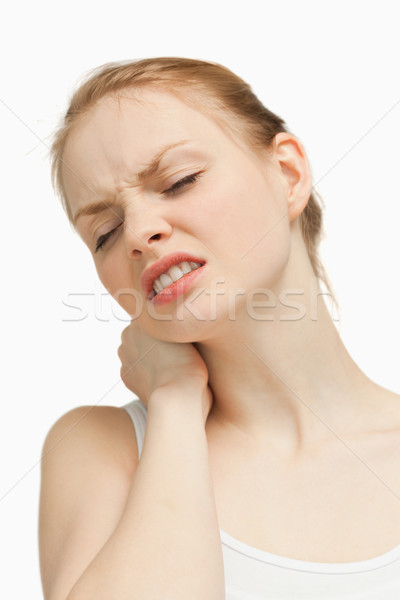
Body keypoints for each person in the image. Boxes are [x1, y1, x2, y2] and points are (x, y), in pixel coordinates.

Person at [38, 57, 400, 600]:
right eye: (106, 232)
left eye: (179, 181)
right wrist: (175, 401)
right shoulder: (102, 450)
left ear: (288, 175)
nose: (139, 232)